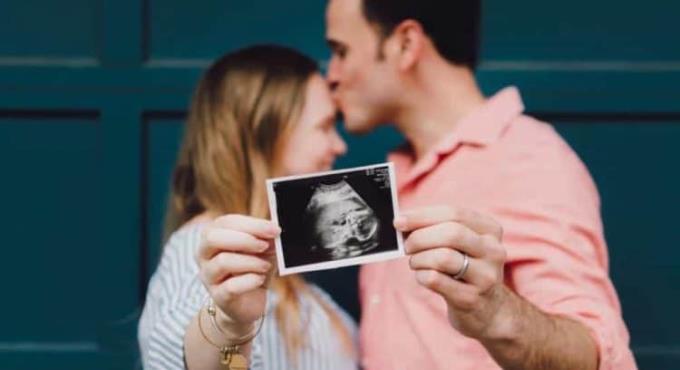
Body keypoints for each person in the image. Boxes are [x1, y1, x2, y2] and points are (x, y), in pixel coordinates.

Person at [324, 0, 638, 369]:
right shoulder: (395, 172)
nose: (332, 73)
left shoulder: (527, 160)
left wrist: (493, 313)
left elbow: (596, 354)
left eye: (341, 51)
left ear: (406, 44)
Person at [138, 45, 357, 370]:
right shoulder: (204, 253)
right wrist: (229, 325)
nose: (340, 145)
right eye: (324, 126)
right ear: (264, 133)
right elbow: (194, 358)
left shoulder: (281, 267)